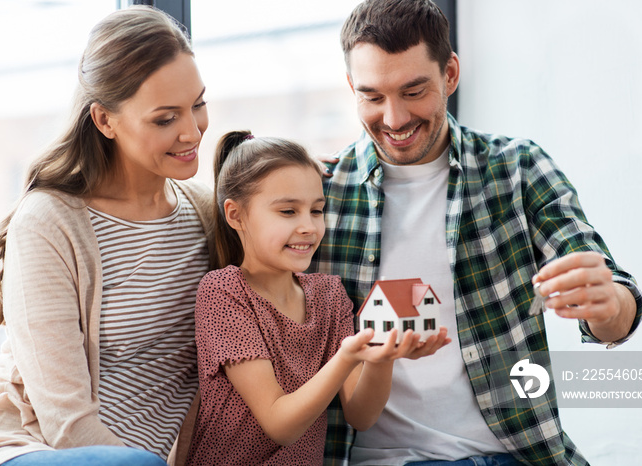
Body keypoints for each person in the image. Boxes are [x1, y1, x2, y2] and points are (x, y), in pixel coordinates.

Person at [309, 0, 642, 465]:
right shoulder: (319, 194)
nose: (393, 119)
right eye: (372, 96)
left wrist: (608, 306)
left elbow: (616, 302)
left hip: (515, 453)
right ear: (351, 88)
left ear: (450, 74)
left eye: (413, 91)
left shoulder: (518, 168)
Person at [0, 6, 214, 466]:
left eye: (198, 104)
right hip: (39, 448)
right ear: (105, 121)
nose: (192, 131)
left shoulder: (205, 213)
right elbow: (65, 423)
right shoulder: (50, 223)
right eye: (165, 118)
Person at [185, 131, 450, 466]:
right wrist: (347, 357)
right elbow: (280, 424)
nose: (309, 226)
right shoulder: (224, 293)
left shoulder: (328, 295)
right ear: (236, 215)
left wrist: (382, 357)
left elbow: (361, 415)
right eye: (287, 212)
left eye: (316, 210)